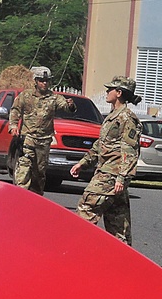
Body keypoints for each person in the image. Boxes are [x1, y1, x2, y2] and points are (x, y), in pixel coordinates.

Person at [70, 76, 142, 245]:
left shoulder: (126, 118)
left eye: (110, 89)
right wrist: (83, 163)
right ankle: (122, 262)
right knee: (118, 224)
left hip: (111, 175)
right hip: (109, 173)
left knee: (86, 207)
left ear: (119, 93)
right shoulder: (113, 116)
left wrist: (122, 178)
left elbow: (130, 150)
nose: (107, 92)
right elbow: (101, 144)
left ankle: (76, 250)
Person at [9, 66, 76, 195]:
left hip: (44, 141)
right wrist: (13, 125)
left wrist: (71, 105)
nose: (44, 83)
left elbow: (66, 107)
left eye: (47, 81)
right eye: (41, 80)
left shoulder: (54, 98)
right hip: (27, 138)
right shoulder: (26, 95)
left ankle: (35, 199)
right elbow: (15, 110)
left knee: (39, 173)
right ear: (36, 81)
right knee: (24, 167)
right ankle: (19, 196)